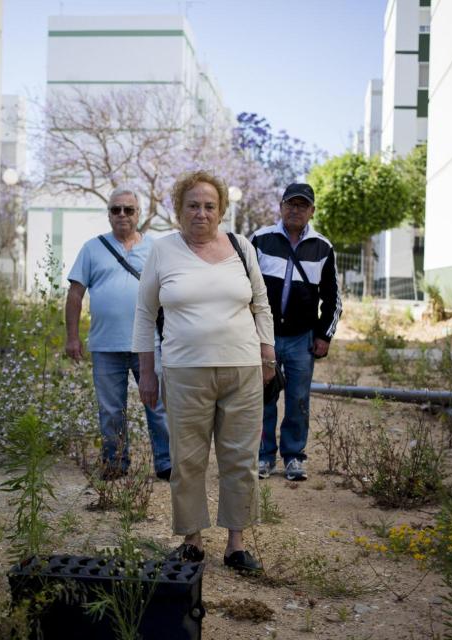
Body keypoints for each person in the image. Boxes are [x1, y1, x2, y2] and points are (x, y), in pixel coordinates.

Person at [133, 170, 275, 573]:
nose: (201, 213)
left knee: (240, 458)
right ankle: (192, 540)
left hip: (243, 369)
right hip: (184, 371)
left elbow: (261, 306)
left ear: (221, 210)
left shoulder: (242, 247)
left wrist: (268, 357)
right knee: (188, 459)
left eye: (209, 206)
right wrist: (147, 372)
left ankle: (236, 543)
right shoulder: (162, 251)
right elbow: (145, 315)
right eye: (192, 205)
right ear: (179, 210)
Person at [65, 187, 171, 481]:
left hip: (148, 344)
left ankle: (166, 463)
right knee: (111, 411)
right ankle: (115, 462)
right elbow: (75, 295)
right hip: (105, 344)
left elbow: (172, 292)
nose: (122, 215)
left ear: (139, 214)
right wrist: (72, 337)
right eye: (116, 210)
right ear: (109, 214)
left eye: (128, 209)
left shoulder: (156, 249)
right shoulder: (91, 248)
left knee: (158, 405)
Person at [250, 182, 341, 481]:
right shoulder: (260, 240)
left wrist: (324, 335)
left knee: (298, 400)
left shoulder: (322, 247)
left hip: (302, 338)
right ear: (281, 206)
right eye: (291, 203)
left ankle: (293, 457)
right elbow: (243, 288)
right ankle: (264, 457)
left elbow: (333, 297)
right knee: (263, 397)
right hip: (264, 337)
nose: (295, 209)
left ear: (312, 211)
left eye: (303, 205)